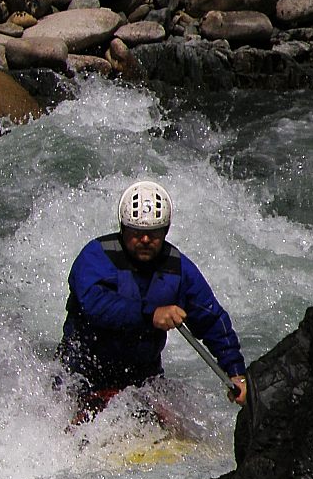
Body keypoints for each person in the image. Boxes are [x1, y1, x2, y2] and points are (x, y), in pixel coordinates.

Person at [57, 181, 247, 424]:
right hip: (82, 376)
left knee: (172, 423)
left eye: (154, 233)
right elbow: (96, 306)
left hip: (141, 382)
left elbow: (211, 319)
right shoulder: (96, 257)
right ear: (123, 229)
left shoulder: (178, 269)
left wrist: (236, 372)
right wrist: (151, 314)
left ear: (165, 231)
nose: (145, 239)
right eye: (137, 233)